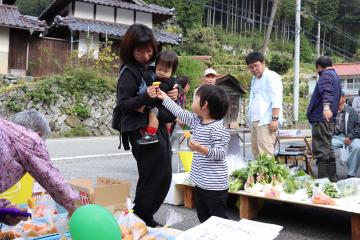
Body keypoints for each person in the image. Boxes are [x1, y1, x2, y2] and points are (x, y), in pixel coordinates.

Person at [115, 24, 178, 227]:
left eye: (149, 49)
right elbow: (123, 105)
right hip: (139, 128)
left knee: (163, 172)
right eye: (140, 50)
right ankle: (141, 217)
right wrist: (143, 96)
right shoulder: (129, 73)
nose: (146, 54)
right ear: (130, 50)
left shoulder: (152, 68)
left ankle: (144, 215)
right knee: (153, 172)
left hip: (157, 125)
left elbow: (166, 87)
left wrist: (174, 93)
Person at [157, 84, 231, 223]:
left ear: (205, 104)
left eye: (196, 98)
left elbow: (221, 153)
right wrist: (165, 98)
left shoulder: (217, 128)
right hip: (201, 182)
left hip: (215, 185)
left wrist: (200, 149)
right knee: (203, 216)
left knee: (218, 218)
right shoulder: (198, 121)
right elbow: (180, 113)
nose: (193, 101)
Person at [0, 110, 78, 226]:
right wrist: (76, 208)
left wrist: (4, 209)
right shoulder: (30, 139)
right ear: (39, 135)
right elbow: (52, 179)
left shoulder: (5, 129)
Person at [307, 56, 341, 182]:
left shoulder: (325, 75)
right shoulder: (335, 76)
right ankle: (332, 179)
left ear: (318, 67)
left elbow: (327, 92)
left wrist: (326, 107)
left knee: (321, 150)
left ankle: (323, 182)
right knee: (328, 149)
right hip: (328, 119)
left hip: (321, 118)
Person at [245, 51, 283, 158]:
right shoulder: (254, 79)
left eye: (256, 65)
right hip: (256, 121)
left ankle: (268, 175)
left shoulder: (272, 76)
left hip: (266, 121)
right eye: (251, 67)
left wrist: (275, 119)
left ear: (263, 63)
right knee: (256, 153)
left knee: (265, 155)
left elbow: (276, 99)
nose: (254, 69)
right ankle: (259, 175)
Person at [137, 50, 179, 145]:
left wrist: (144, 103)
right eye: (159, 69)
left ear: (172, 71)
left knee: (153, 112)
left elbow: (156, 94)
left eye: (166, 71)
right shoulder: (158, 79)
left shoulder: (169, 81)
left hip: (169, 110)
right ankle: (166, 134)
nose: (162, 73)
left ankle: (151, 135)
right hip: (166, 108)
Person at [331, 91, 360, 178]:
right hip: (335, 137)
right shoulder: (331, 111)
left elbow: (359, 126)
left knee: (357, 146)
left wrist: (350, 137)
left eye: (338, 97)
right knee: (326, 147)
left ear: (344, 98)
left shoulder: (351, 111)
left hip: (350, 136)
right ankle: (332, 173)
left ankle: (351, 174)